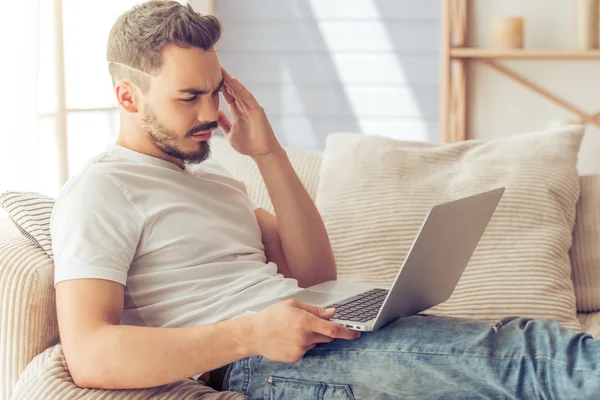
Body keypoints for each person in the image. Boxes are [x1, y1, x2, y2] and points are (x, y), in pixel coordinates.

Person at [51, 1, 599, 398]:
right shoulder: (102, 189)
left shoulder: (217, 182)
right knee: (527, 363)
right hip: (256, 364)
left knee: (525, 345)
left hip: (308, 339)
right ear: (127, 96)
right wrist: (252, 332)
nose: (208, 114)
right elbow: (90, 354)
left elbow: (315, 273)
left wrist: (267, 152)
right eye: (188, 96)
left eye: (215, 90)